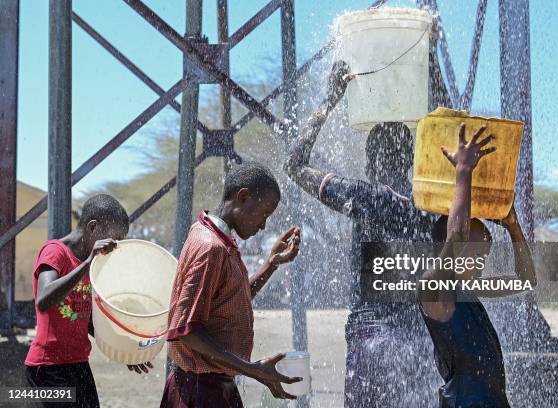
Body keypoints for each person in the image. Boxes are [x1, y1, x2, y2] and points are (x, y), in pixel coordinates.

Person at [285, 61, 440, 406]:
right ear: (411, 162)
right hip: (422, 342)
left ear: (371, 162)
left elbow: (294, 165)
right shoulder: (431, 208)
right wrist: (431, 71)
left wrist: (330, 97)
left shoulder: (364, 197)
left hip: (371, 341)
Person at [161, 161, 302, 408]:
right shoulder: (210, 248)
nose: (263, 225)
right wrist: (253, 370)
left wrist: (271, 264)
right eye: (264, 214)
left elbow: (231, 299)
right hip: (201, 391)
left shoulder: (217, 239)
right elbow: (186, 330)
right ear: (243, 197)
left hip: (212, 385)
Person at [418, 123, 537, 407]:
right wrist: (463, 171)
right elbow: (456, 235)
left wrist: (513, 227)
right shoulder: (433, 290)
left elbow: (526, 280)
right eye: (479, 254)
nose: (483, 264)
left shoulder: (467, 289)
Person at [25, 194, 150, 408]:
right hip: (47, 368)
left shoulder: (91, 264)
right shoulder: (56, 252)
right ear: (93, 228)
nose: (115, 247)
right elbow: (44, 300)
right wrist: (88, 262)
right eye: (114, 239)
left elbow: (88, 320)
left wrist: (124, 350)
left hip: (78, 364)